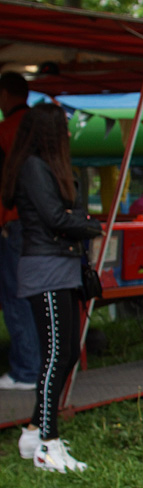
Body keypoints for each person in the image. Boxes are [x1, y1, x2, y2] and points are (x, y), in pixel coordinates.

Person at [2, 104, 104, 472]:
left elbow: (61, 218)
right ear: (50, 133)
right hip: (45, 269)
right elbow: (54, 218)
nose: (70, 134)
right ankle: (48, 443)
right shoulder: (33, 167)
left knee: (68, 354)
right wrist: (89, 225)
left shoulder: (45, 167)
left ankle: (33, 431)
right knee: (55, 356)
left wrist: (81, 222)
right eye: (64, 128)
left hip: (60, 268)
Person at [0, 72, 41, 392]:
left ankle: (27, 369)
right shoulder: (43, 127)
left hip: (15, 219)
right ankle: (40, 365)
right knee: (37, 295)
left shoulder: (8, 130)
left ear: (4, 94)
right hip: (41, 222)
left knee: (17, 295)